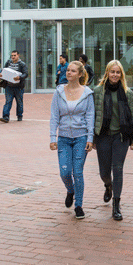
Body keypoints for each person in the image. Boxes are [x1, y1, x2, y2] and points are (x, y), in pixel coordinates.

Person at [50, 60, 94, 220]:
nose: (69, 73)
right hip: (63, 138)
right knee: (65, 172)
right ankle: (70, 190)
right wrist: (52, 137)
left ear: (80, 74)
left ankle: (79, 206)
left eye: (73, 71)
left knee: (78, 172)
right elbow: (54, 116)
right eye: (68, 70)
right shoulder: (59, 91)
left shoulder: (87, 93)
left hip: (81, 137)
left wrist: (90, 138)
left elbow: (90, 117)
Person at [92, 60, 133, 221]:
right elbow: (93, 116)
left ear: (121, 74)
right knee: (104, 172)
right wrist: (92, 138)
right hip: (103, 135)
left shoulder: (127, 93)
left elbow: (132, 116)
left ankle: (116, 206)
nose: (115, 75)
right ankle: (107, 185)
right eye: (112, 72)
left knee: (117, 168)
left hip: (121, 136)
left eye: (118, 72)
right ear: (107, 73)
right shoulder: (98, 91)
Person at [0, 50, 28, 123]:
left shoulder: (22, 64)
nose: (13, 57)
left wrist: (19, 77)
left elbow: (26, 74)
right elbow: (4, 70)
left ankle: (19, 115)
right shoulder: (8, 62)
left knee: (19, 102)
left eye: (14, 55)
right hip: (9, 86)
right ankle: (5, 117)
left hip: (18, 87)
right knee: (8, 101)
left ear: (18, 55)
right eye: (12, 55)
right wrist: (1, 74)